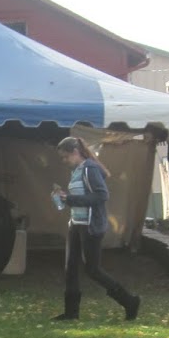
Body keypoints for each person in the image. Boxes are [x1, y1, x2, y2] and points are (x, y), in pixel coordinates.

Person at [50, 135, 140, 322]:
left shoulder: (89, 168)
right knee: (71, 268)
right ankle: (71, 312)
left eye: (66, 157)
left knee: (93, 270)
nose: (64, 161)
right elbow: (81, 197)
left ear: (75, 152)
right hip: (76, 224)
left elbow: (101, 196)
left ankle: (129, 301)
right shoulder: (76, 170)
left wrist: (71, 199)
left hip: (90, 226)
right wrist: (63, 197)